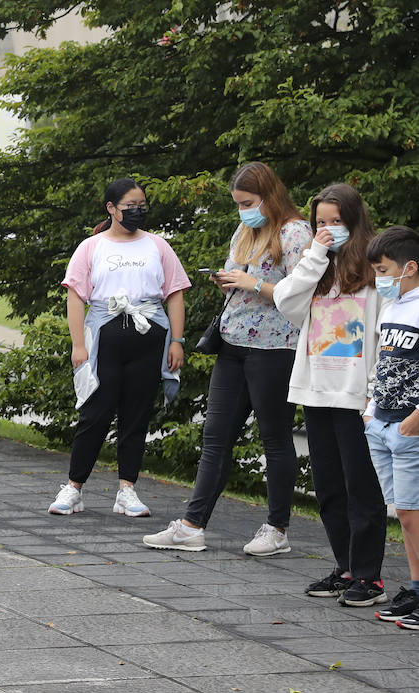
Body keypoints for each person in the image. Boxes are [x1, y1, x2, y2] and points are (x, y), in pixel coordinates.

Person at [144, 161, 312, 555]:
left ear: (270, 196)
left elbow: (302, 292)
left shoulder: (296, 231)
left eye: (248, 202)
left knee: (274, 438)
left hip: (275, 347)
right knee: (215, 438)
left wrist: (253, 283)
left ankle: (277, 529)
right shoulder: (246, 228)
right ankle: (191, 526)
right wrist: (228, 280)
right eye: (238, 203)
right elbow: (241, 277)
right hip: (233, 342)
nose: (243, 210)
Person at [267, 184, 389, 608]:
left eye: (336, 222)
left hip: (356, 396)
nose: (328, 229)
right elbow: (283, 299)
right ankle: (347, 567)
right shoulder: (316, 271)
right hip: (315, 390)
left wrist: (375, 396)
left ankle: (370, 577)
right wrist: (315, 254)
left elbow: (384, 336)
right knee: (329, 488)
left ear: (353, 223)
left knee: (362, 488)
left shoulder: (376, 274)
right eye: (321, 222)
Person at [48, 179, 189, 517]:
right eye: (130, 205)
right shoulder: (91, 247)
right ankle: (74, 487)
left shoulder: (158, 246)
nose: (137, 211)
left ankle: (127, 488)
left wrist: (178, 341)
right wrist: (77, 345)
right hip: (104, 339)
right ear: (111, 208)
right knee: (95, 413)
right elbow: (75, 295)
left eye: (142, 204)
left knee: (136, 415)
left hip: (149, 337)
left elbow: (176, 293)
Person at [364, 227, 419, 628]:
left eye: (384, 270)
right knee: (404, 513)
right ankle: (416, 589)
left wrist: (414, 421)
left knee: (414, 514)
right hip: (381, 423)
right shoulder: (393, 306)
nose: (379, 279)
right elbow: (382, 365)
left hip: (409, 427)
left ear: (409, 267)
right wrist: (370, 411)